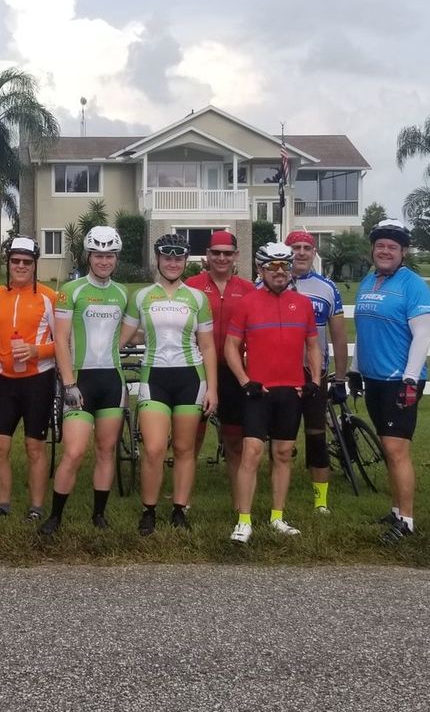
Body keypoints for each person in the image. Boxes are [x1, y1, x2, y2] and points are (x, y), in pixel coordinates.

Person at [119, 232, 217, 534]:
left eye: (178, 258)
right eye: (167, 257)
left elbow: (208, 345)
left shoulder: (197, 298)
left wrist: (213, 388)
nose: (172, 263)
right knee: (154, 448)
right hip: (155, 377)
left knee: (185, 449)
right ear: (158, 259)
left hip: (191, 377)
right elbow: (122, 338)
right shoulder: (142, 296)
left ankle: (179, 509)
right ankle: (148, 510)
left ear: (185, 261)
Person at [224, 242, 320, 543]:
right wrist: (244, 381)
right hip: (259, 391)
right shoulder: (246, 303)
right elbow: (230, 347)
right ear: (260, 269)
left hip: (291, 391)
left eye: (285, 266)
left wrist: (315, 380)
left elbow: (312, 345)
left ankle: (277, 517)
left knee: (283, 454)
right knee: (251, 453)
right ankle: (244, 521)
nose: (280, 272)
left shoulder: (302, 304)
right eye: (272, 267)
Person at [41, 225, 130, 536]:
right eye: (98, 255)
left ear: (116, 258)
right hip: (79, 381)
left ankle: (99, 515)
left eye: (110, 255)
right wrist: (68, 384)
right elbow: (60, 340)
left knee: (106, 450)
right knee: (75, 451)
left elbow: (124, 333)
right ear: (88, 257)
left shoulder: (122, 293)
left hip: (112, 381)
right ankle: (55, 516)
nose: (104, 261)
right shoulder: (72, 290)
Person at [350, 219, 430, 544]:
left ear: (403, 251)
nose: (385, 251)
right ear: (373, 249)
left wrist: (410, 379)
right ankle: (397, 510)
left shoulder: (414, 285)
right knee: (388, 447)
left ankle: (407, 521)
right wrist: (355, 368)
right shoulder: (368, 281)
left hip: (400, 379)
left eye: (392, 247)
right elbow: (364, 330)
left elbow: (423, 336)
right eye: (380, 246)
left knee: (396, 450)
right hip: (373, 378)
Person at [0, 235, 61, 522]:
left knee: (34, 446)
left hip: (38, 379)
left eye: (27, 262)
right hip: (5, 380)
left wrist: (37, 350)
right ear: (8, 263)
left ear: (35, 264)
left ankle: (36, 507)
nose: (20, 266)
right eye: (15, 261)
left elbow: (65, 344)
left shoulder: (48, 297)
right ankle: (3, 504)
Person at [284, 230, 350, 514]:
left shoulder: (327, 287)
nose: (300, 253)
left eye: (306, 248)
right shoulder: (266, 282)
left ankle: (321, 501)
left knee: (316, 435)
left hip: (314, 373)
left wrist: (340, 378)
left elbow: (339, 336)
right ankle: (279, 498)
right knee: (281, 439)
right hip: (280, 373)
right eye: (295, 247)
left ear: (314, 253)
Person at [185, 230, 254, 482]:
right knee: (192, 437)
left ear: (236, 255)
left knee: (235, 440)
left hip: (233, 371)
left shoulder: (248, 289)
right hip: (198, 369)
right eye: (216, 253)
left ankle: (238, 494)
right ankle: (184, 494)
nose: (221, 258)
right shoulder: (192, 285)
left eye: (227, 253)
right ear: (207, 254)